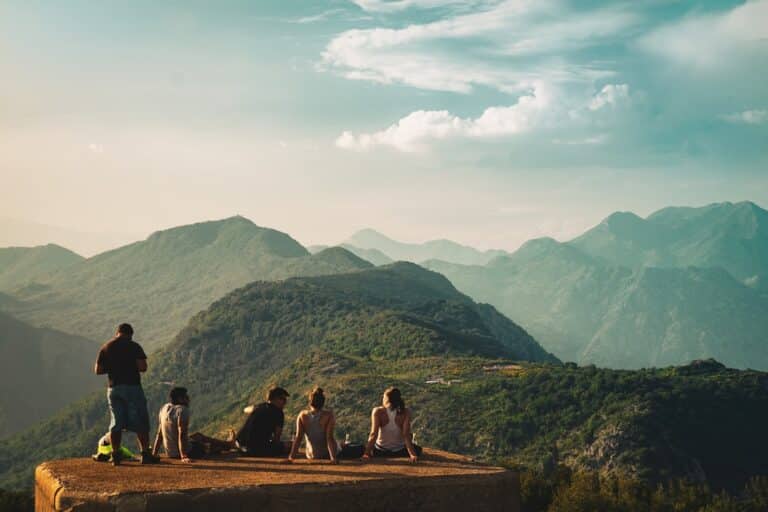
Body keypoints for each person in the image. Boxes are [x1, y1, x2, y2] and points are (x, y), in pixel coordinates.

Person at [94, 323, 159, 465]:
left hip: (114, 388)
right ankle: (145, 454)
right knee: (140, 421)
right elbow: (143, 367)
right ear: (130, 334)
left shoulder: (107, 347)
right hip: (133, 387)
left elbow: (98, 370)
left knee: (116, 423)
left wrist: (114, 368)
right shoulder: (134, 346)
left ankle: (115, 455)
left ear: (117, 332)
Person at [151, 387, 235, 462]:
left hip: (170, 452)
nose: (188, 399)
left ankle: (227, 444)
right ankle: (227, 445)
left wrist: (154, 453)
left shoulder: (164, 408)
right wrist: (183, 456)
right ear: (180, 399)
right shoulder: (182, 410)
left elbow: (160, 434)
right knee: (205, 446)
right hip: (181, 452)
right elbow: (182, 434)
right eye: (186, 397)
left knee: (198, 436)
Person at [287, 387, 365, 464]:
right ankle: (342, 445)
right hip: (327, 453)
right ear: (323, 402)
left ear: (310, 401)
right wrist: (333, 458)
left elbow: (298, 438)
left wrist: (291, 456)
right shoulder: (328, 416)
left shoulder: (302, 415)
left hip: (311, 455)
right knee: (360, 447)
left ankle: (342, 444)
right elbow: (329, 438)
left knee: (343, 444)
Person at [363, 387, 422, 463]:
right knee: (418, 449)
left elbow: (373, 434)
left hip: (380, 451)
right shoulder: (406, 412)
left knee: (362, 447)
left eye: (383, 397)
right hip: (400, 451)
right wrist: (412, 454)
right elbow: (406, 435)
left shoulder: (378, 411)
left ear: (387, 398)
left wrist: (366, 453)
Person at [235, 386, 291, 456]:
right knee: (289, 445)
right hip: (254, 449)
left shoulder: (259, 406)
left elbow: (246, 409)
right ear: (275, 399)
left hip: (239, 446)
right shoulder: (279, 413)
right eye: (283, 399)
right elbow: (276, 439)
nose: (285, 402)